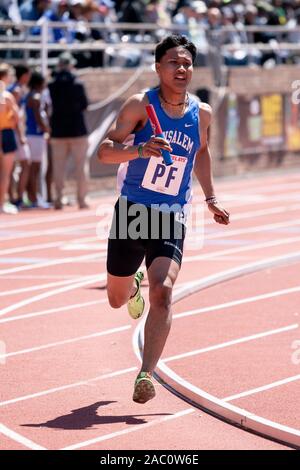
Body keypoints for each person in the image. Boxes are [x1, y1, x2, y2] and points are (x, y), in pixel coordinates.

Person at [98, 34, 230, 404]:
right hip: (132, 212)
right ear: (158, 67)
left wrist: (211, 198)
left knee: (165, 290)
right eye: (174, 62)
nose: (182, 68)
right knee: (115, 298)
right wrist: (139, 149)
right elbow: (104, 153)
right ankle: (133, 283)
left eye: (187, 63)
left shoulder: (201, 112)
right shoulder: (140, 105)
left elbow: (202, 153)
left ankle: (145, 373)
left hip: (172, 214)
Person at [49, 51, 89, 210]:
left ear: (59, 65)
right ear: (71, 65)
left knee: (58, 167)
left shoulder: (51, 85)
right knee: (81, 167)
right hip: (77, 130)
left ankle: (58, 199)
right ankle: (82, 200)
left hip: (58, 130)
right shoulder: (78, 84)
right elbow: (84, 105)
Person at [25, 71, 50, 207]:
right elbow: (38, 117)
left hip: (32, 134)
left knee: (32, 168)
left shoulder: (30, 95)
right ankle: (33, 198)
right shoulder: (35, 97)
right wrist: (47, 129)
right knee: (34, 168)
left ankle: (32, 197)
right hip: (35, 135)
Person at [8, 64, 31, 208]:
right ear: (23, 75)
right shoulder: (15, 90)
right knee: (23, 163)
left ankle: (15, 197)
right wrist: (21, 134)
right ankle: (17, 197)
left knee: (13, 165)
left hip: (15, 131)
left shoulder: (15, 89)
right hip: (15, 132)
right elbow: (15, 116)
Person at [0, 63, 19, 215]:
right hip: (5, 133)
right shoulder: (6, 95)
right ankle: (2, 203)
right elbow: (16, 116)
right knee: (5, 172)